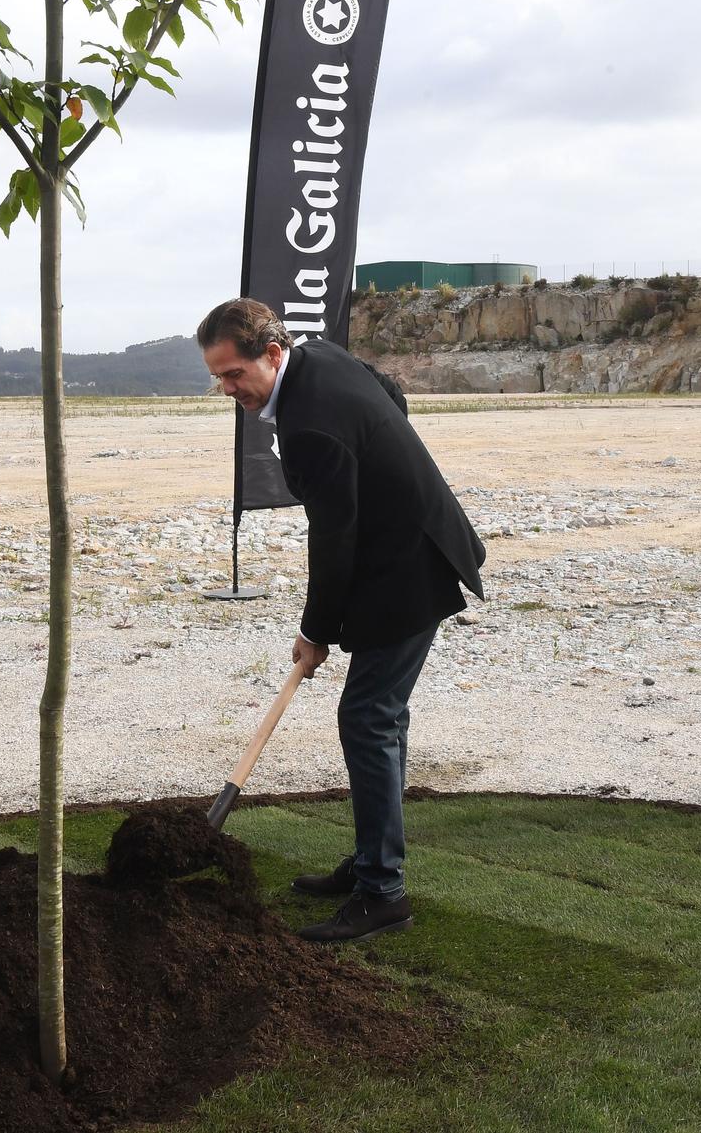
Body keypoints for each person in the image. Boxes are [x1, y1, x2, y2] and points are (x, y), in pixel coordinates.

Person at [198, 298, 486, 942]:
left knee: (367, 718)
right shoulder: (318, 354)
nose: (226, 389)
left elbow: (332, 540)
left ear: (271, 354)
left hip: (410, 569)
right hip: (405, 549)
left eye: (233, 375)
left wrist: (316, 631)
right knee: (378, 718)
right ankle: (368, 863)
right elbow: (389, 396)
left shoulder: (308, 426)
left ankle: (383, 891)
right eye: (216, 377)